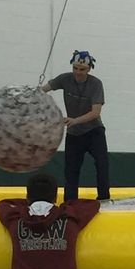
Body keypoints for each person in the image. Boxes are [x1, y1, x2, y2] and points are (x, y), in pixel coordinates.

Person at [42, 50, 110, 201]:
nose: (78, 72)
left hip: (94, 131)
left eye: (82, 70)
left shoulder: (95, 84)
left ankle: (104, 198)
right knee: (71, 171)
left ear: (89, 69)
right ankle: (70, 202)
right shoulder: (65, 79)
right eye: (75, 68)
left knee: (102, 164)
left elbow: (95, 112)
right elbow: (44, 89)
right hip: (74, 134)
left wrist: (75, 120)